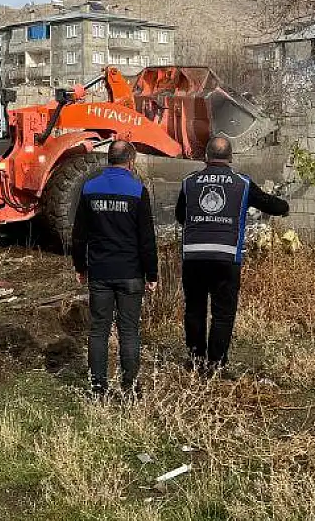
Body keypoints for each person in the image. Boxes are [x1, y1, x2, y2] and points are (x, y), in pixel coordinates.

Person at [175, 135, 289, 375]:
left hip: (193, 258)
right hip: (226, 258)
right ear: (230, 158)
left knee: (194, 310)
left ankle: (195, 361)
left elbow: (180, 216)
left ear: (206, 157)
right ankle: (216, 364)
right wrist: (285, 208)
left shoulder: (189, 182)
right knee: (223, 313)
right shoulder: (242, 183)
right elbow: (271, 204)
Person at [71, 140, 159, 397]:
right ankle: (130, 388)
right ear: (130, 162)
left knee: (98, 330)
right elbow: (146, 239)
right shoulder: (137, 190)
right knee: (129, 330)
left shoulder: (89, 189)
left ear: (108, 159)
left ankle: (98, 388)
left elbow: (79, 236)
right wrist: (151, 273)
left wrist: (81, 266)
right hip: (131, 273)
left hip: (100, 272)